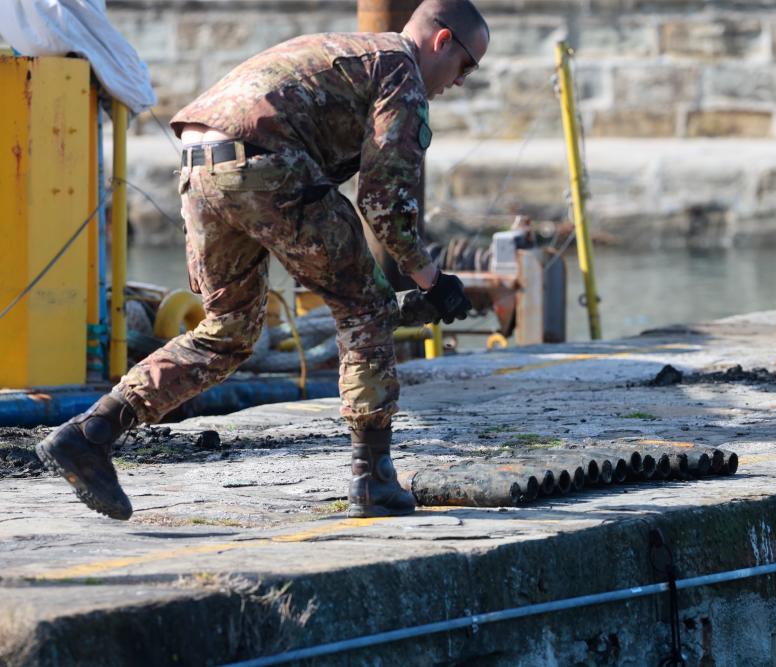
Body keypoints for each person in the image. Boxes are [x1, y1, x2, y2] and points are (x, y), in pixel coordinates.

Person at [36, 0, 490, 521]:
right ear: (442, 41)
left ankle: (90, 433)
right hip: (265, 162)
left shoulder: (345, 50)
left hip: (197, 163)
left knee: (228, 329)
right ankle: (374, 480)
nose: (459, 83)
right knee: (364, 310)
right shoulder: (401, 71)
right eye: (466, 67)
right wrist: (432, 280)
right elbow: (386, 203)